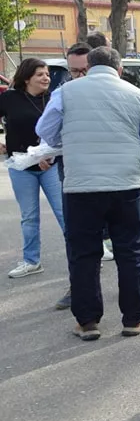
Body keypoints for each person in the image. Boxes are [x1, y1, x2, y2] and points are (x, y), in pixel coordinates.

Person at [36, 47, 140, 342]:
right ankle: (134, 318)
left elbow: (45, 130)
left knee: (84, 255)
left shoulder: (66, 93)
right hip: (125, 185)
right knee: (130, 252)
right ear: (120, 69)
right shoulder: (136, 94)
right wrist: (139, 172)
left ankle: (88, 321)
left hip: (81, 187)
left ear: (88, 66)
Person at [87, 30, 140, 241]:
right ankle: (109, 237)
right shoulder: (133, 93)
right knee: (128, 241)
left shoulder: (68, 91)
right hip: (116, 165)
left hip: (118, 163)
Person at [0, 58, 65, 279]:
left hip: (50, 165)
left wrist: (49, 155)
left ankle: (82, 256)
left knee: (64, 212)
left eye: (47, 74)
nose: (46, 78)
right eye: (40, 74)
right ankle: (31, 261)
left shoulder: (55, 98)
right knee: (29, 216)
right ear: (27, 78)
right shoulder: (10, 98)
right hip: (21, 165)